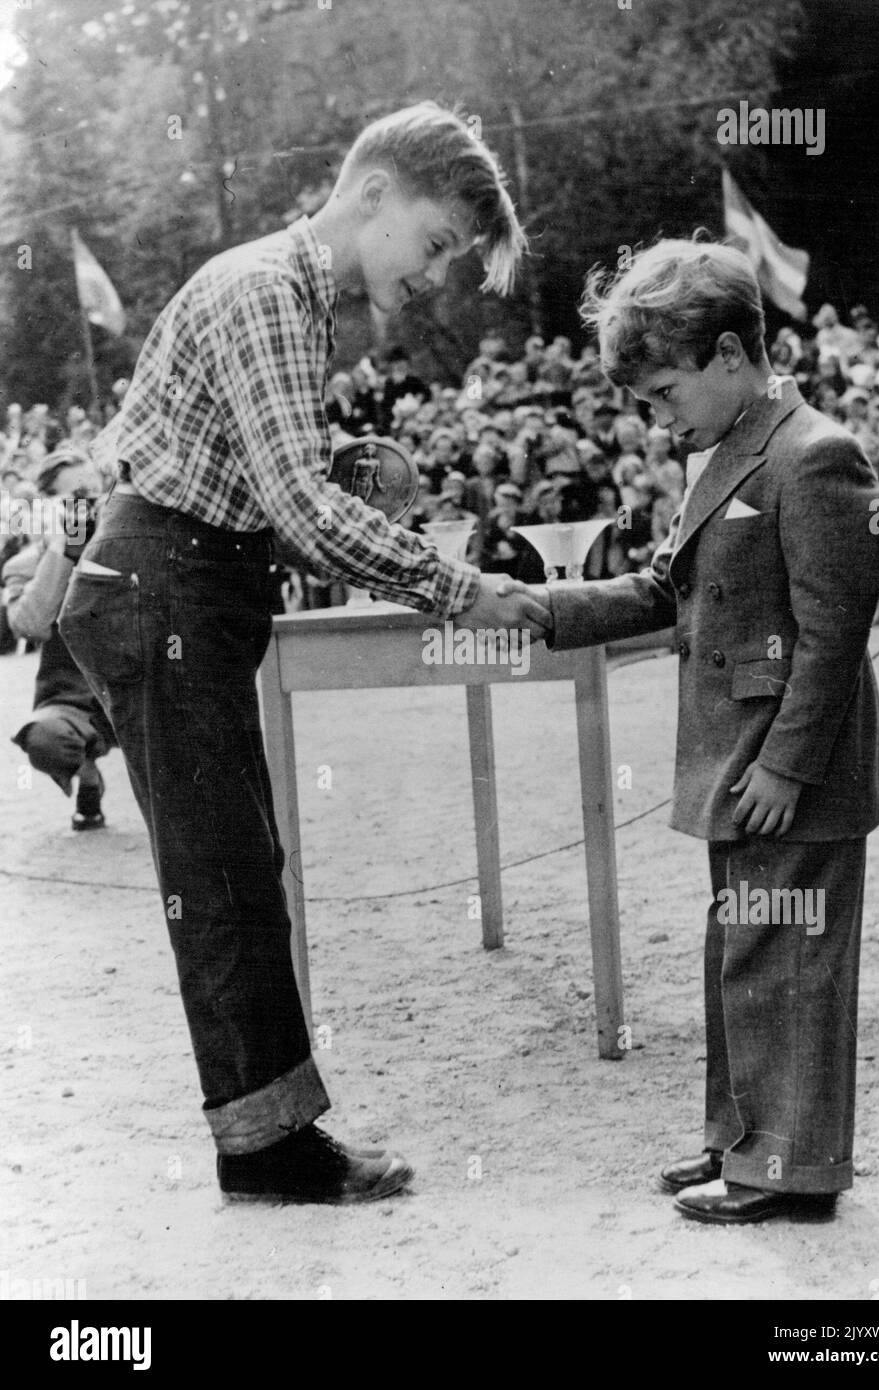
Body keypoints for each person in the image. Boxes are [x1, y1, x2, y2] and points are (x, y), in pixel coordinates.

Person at [58, 102, 550, 1207]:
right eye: (432, 246)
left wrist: (338, 462)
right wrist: (456, 584)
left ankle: (267, 1135)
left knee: (233, 867)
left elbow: (256, 473)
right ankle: (267, 1150)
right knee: (223, 877)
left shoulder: (279, 294)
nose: (433, 280)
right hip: (165, 584)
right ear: (371, 193)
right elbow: (298, 511)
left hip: (178, 580)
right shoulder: (266, 292)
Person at [502, 238, 879, 1224]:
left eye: (665, 391)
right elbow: (661, 591)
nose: (655, 416)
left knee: (785, 956)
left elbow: (833, 633)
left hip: (786, 771)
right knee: (747, 949)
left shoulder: (813, 456)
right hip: (741, 764)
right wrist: (538, 605)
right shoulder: (727, 448)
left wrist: (784, 764)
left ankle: (786, 1169)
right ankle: (740, 1137)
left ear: (730, 355)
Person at [2, 448, 114, 828]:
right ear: (50, 507)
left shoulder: (125, 543)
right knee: (45, 739)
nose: (89, 509)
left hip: (136, 690)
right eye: (76, 498)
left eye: (95, 495)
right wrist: (63, 549)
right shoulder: (26, 563)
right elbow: (29, 624)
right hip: (72, 700)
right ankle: (87, 774)